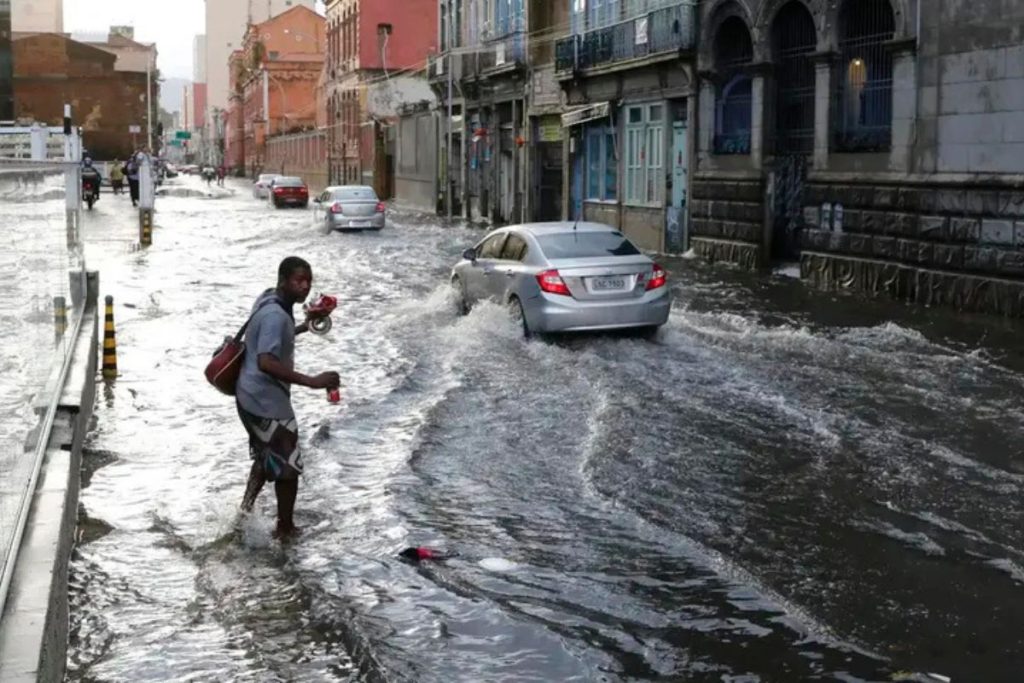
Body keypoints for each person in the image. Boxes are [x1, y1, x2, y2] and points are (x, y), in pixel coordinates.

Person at [235, 256, 340, 539]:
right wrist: (313, 381)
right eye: (298, 281)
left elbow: (272, 338)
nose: (304, 287)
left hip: (247, 396)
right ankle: (285, 528)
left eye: (308, 281)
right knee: (289, 466)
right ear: (283, 281)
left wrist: (306, 326)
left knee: (267, 455)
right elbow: (266, 361)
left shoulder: (269, 300)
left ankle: (243, 512)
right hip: (265, 401)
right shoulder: (275, 315)